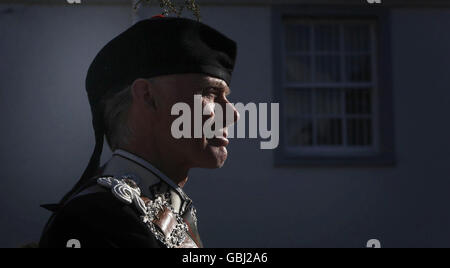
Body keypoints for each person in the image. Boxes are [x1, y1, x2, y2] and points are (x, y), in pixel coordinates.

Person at [39, 15, 239, 248]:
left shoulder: (154, 212)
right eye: (210, 92)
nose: (233, 113)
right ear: (148, 97)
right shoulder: (93, 220)